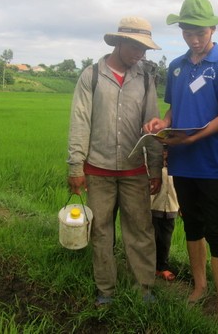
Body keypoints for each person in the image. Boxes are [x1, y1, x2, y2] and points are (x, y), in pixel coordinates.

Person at [143, 0, 218, 333]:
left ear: (213, 28)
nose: (195, 40)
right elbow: (173, 111)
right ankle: (200, 287)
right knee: (193, 227)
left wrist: (190, 138)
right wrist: (161, 124)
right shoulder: (176, 66)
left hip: (211, 164)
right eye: (188, 33)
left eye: (200, 33)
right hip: (182, 163)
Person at [67, 16, 162, 306]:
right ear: (120, 42)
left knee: (140, 231)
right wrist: (75, 165)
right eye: (135, 47)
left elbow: (153, 125)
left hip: (135, 170)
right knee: (101, 230)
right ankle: (105, 290)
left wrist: (155, 168)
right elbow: (80, 121)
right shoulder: (92, 75)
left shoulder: (145, 78)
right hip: (97, 169)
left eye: (144, 49)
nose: (140, 54)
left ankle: (143, 288)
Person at [151, 145, 179, 282]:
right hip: (153, 208)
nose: (165, 154)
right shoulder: (153, 170)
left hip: (171, 210)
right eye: (163, 151)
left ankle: (162, 267)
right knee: (151, 239)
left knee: (165, 241)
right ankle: (150, 266)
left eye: (168, 151)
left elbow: (181, 190)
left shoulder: (177, 169)